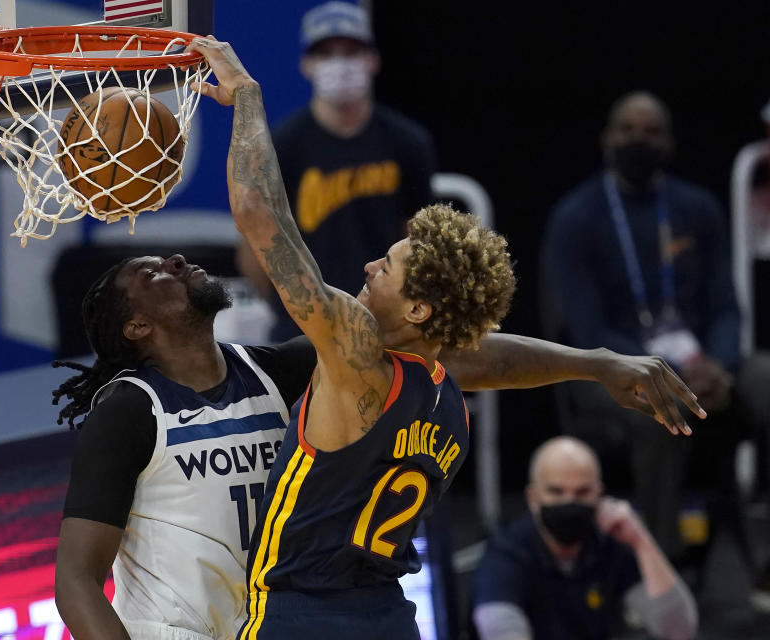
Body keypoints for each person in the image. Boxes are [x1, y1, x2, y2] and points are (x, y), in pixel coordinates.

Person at [187, 38, 703, 640]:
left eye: (386, 266)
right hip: (389, 618)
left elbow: (259, 214)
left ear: (418, 307)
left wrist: (247, 99)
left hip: (302, 615)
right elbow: (497, 359)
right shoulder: (446, 393)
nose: (368, 270)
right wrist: (599, 362)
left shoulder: (356, 352)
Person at [51, 250, 703, 640]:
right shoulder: (131, 410)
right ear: (137, 325)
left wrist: (596, 362)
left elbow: (455, 357)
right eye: (151, 274)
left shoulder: (272, 371)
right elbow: (77, 579)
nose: (174, 260)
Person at [541, 91, 770, 581]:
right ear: (607, 140)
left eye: (651, 132)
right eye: (627, 130)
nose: (638, 140)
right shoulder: (576, 218)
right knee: (656, 411)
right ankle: (662, 567)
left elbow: (726, 306)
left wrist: (722, 367)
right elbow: (586, 330)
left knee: (764, 379)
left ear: (669, 143)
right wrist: (671, 375)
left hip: (702, 366)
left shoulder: (697, 208)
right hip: (607, 369)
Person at [235, 0, 438, 342]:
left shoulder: (408, 142)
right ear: (306, 65)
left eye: (351, 52)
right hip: (305, 328)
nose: (340, 64)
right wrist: (292, 309)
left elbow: (418, 239)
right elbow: (255, 244)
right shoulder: (282, 146)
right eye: (327, 54)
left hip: (387, 325)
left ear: (373, 60)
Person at [472, 436, 698, 640]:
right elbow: (499, 629)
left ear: (598, 495)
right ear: (533, 498)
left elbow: (679, 630)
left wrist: (642, 541)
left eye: (582, 492)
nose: (569, 502)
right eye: (556, 492)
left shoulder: (608, 543)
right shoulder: (507, 554)